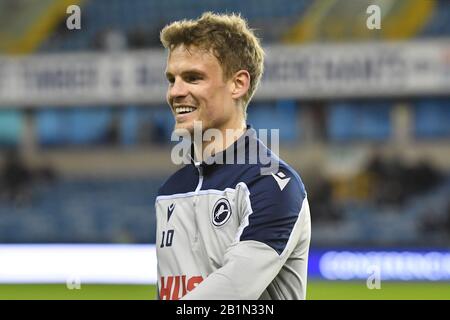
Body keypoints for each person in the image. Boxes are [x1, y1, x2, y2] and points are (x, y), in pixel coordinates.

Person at [155, 12, 311, 300]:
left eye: (192, 78)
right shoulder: (170, 191)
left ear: (238, 84)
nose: (175, 92)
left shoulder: (273, 184)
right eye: (171, 79)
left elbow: (231, 293)